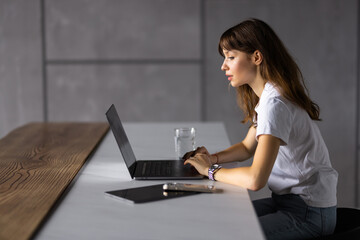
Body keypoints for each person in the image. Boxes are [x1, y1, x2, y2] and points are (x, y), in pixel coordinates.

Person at [183, 18, 338, 240]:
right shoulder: (269, 97)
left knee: (224, 234)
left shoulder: (275, 104)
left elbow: (256, 179)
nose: (223, 65)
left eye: (231, 57)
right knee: (217, 221)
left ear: (256, 57)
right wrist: (212, 158)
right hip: (288, 203)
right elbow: (247, 148)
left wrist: (209, 171)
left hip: (308, 212)